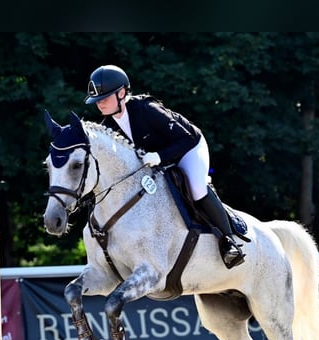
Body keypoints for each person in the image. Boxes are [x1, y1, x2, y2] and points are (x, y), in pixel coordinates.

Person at [84, 64, 245, 269]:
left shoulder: (146, 109)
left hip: (188, 148)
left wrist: (160, 156)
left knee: (196, 187)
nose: (100, 104)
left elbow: (185, 139)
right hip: (156, 159)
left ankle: (229, 242)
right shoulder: (109, 127)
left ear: (122, 93)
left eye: (104, 98)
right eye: (97, 100)